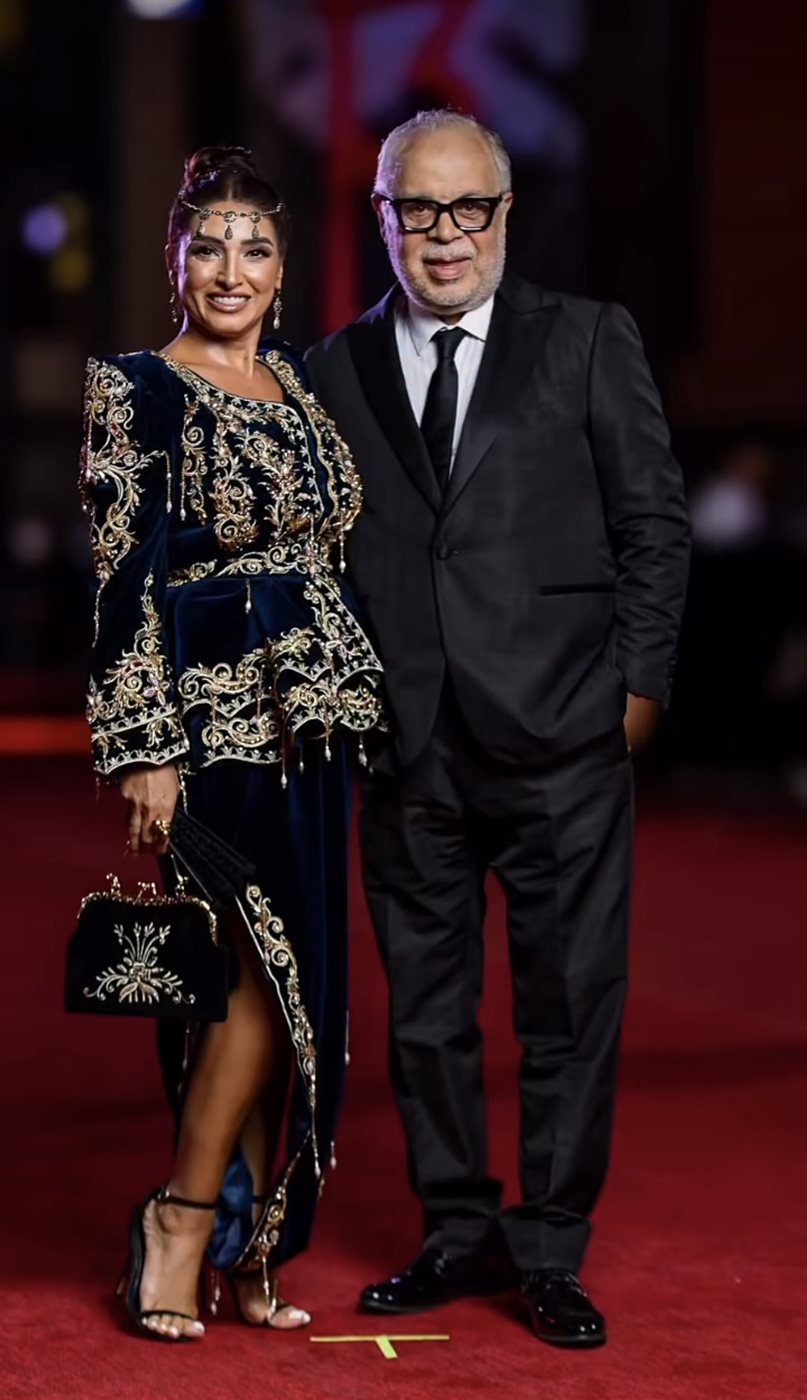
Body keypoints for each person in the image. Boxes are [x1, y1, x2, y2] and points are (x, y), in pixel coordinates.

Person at [305, 110, 690, 1348]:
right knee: (426, 1012)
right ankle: (456, 1228)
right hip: (406, 743)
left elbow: (654, 525)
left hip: (567, 737)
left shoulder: (587, 339)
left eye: (469, 207)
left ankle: (551, 1247)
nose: (446, 234)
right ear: (382, 216)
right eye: (419, 208)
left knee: (570, 1003)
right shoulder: (331, 371)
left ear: (506, 213)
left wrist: (634, 698)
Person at [79, 144, 384, 1341]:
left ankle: (254, 1245)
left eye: (254, 248)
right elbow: (124, 580)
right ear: (174, 258)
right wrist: (143, 745)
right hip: (212, 721)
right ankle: (179, 1218)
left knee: (298, 986)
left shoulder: (299, 384)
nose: (230, 269)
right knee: (252, 978)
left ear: (282, 267)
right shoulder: (137, 389)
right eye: (206, 245)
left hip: (318, 721)